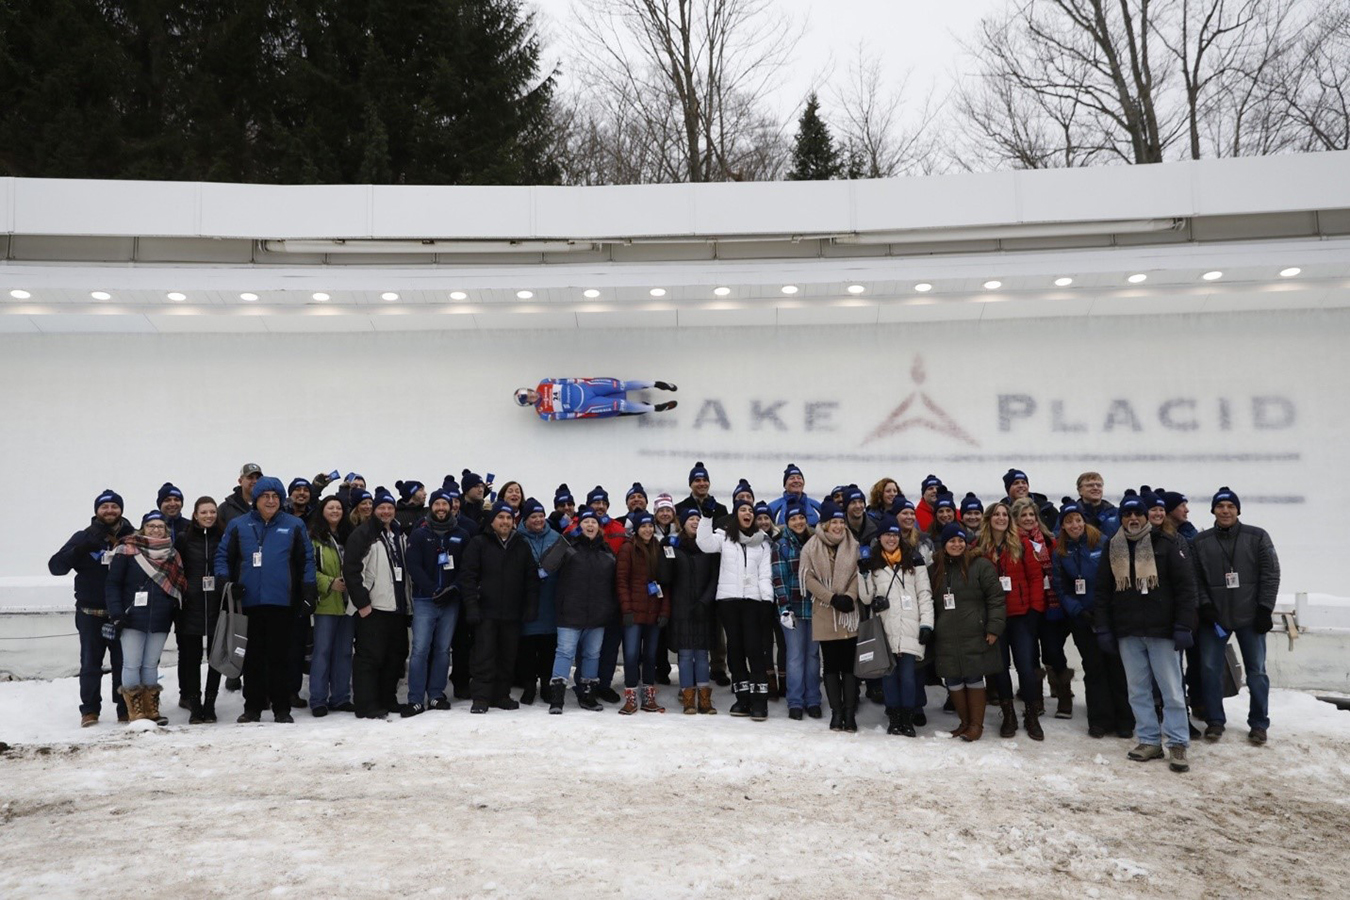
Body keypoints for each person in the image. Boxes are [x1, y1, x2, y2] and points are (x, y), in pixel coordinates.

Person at [1094, 492, 1198, 773]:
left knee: (1172, 691)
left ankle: (1177, 742)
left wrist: (1183, 625)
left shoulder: (1166, 544)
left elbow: (1187, 589)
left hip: (1162, 630)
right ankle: (1149, 739)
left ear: (1145, 516)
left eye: (1137, 514)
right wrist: (1103, 627)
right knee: (1138, 690)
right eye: (1127, 515)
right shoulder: (1113, 548)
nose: (1132, 519)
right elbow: (1102, 591)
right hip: (1128, 630)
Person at [215, 475, 318, 724]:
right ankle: (253, 707)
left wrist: (308, 592)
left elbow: (306, 560)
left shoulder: (294, 525)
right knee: (252, 658)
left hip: (282, 602)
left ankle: (282, 708)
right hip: (247, 603)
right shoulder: (238, 525)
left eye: (275, 497)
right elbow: (222, 557)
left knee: (280, 657)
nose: (270, 501)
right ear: (256, 499)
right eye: (265, 496)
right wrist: (226, 584)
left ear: (281, 500)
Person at [1192, 486, 1281, 746]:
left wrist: (1264, 608)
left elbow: (1271, 573)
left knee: (1257, 672)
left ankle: (1259, 723)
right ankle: (1215, 721)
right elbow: (1195, 579)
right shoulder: (1201, 541)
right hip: (1216, 618)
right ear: (1213, 511)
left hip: (1250, 616)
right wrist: (1205, 606)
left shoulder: (1257, 536)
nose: (1225, 510)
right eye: (1220, 506)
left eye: (1230, 506)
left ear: (1238, 510)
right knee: (1209, 669)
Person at [50, 488, 135, 726]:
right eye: (104, 506)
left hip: (122, 614)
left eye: (114, 506)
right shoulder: (83, 536)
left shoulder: (132, 536)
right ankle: (89, 710)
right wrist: (79, 550)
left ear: (121, 509)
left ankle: (123, 708)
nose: (110, 510)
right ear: (97, 510)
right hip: (90, 614)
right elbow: (55, 567)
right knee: (90, 663)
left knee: (123, 663)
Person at [1052, 497, 1133, 739]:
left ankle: (1124, 720)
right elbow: (1061, 587)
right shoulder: (1061, 552)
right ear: (1063, 526)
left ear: (1083, 521)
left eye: (1077, 519)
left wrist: (1105, 609)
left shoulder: (1104, 542)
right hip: (1082, 620)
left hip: (1108, 616)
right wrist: (1079, 611)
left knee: (1116, 668)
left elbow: (1118, 578)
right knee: (1094, 668)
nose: (1075, 525)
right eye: (1069, 522)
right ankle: (1099, 719)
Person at [696, 497, 774, 720]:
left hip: (753, 602)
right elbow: (704, 543)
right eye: (743, 510)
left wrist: (767, 601)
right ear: (736, 515)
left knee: (754, 649)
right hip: (729, 601)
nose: (747, 513)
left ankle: (760, 700)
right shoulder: (724, 538)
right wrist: (706, 517)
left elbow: (765, 574)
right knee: (735, 650)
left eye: (750, 510)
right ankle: (742, 698)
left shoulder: (762, 542)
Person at [107, 512, 187, 725]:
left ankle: (151, 709)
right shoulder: (127, 550)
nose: (156, 530)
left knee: (151, 665)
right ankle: (135, 711)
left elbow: (178, 585)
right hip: (131, 617)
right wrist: (116, 612)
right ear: (143, 528)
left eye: (160, 526)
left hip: (161, 618)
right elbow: (113, 584)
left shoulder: (172, 554)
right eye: (151, 526)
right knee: (132, 664)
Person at [461, 501, 540, 713]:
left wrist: (530, 606)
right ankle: (481, 697)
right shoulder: (479, 543)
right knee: (484, 656)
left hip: (512, 614)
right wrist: (472, 606)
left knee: (507, 656)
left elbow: (531, 579)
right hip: (485, 612)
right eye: (500, 518)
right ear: (492, 520)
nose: (505, 522)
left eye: (508, 518)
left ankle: (501, 695)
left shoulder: (521, 544)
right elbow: (467, 577)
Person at [976, 500, 1046, 740]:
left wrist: (1035, 609)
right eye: (997, 514)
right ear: (989, 519)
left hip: (1022, 616)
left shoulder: (1022, 544)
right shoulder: (980, 548)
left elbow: (1036, 577)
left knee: (1025, 666)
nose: (1001, 518)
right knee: (1000, 667)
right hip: (995, 618)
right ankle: (1008, 714)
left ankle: (1031, 712)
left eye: (1005, 515)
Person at [860, 514, 934, 737]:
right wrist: (862, 573)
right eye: (886, 535)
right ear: (880, 537)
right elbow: (865, 598)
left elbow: (924, 594)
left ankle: (908, 716)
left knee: (909, 676)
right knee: (890, 676)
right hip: (886, 626)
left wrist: (927, 624)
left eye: (894, 534)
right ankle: (894, 717)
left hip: (911, 626)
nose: (891, 539)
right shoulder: (873, 562)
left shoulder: (914, 559)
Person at [929, 523, 1005, 742]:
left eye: (960, 540)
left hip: (975, 632)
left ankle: (976, 725)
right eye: (952, 541)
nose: (957, 544)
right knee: (952, 678)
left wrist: (993, 627)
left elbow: (996, 598)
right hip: (946, 636)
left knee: (973, 676)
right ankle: (964, 722)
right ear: (944, 544)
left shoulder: (981, 565)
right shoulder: (934, 569)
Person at [404, 487, 472, 715]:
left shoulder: (461, 534)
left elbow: (467, 567)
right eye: (437, 504)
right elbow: (413, 566)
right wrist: (433, 589)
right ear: (431, 507)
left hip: (451, 602)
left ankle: (435, 694)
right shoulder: (420, 533)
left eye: (445, 504)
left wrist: (455, 588)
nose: (441, 508)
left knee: (443, 650)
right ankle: (415, 697)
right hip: (425, 600)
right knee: (421, 649)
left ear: (451, 506)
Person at [342, 488, 410, 719]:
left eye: (390, 508)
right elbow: (351, 569)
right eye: (382, 507)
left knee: (394, 657)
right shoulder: (364, 534)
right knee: (369, 659)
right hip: (372, 607)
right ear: (374, 510)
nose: (386, 511)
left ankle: (387, 699)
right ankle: (366, 704)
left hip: (396, 608)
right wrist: (362, 602)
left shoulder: (399, 535)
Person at [540, 508, 616, 713]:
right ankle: (557, 696)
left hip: (598, 614)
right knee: (564, 653)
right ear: (579, 526)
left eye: (594, 522)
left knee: (592, 655)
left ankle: (587, 693)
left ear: (599, 528)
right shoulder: (569, 547)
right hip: (570, 612)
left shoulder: (607, 552)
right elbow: (547, 564)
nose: (590, 525)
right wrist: (565, 539)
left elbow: (614, 583)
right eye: (586, 522)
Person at [800, 500, 862, 732]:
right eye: (833, 522)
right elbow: (808, 579)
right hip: (825, 612)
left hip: (848, 613)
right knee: (831, 666)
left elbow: (858, 573)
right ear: (824, 524)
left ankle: (850, 712)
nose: (838, 526)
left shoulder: (853, 545)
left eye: (841, 522)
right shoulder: (811, 547)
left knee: (849, 666)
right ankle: (836, 713)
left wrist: (849, 596)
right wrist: (832, 598)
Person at [1014, 496, 1068, 720]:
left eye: (1031, 515)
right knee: (1030, 655)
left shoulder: (1048, 540)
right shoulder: (1013, 542)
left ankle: (1064, 695)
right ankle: (1035, 698)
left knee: (1053, 651)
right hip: (1027, 605)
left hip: (1050, 605)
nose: (1028, 519)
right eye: (1023, 515)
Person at [616, 510, 671, 714]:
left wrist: (665, 610)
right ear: (637, 529)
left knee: (650, 655)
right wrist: (626, 609)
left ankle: (649, 695)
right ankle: (631, 696)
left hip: (654, 611)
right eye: (643, 526)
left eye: (650, 526)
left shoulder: (660, 549)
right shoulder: (628, 549)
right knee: (631, 655)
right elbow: (621, 581)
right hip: (633, 612)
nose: (647, 530)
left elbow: (666, 583)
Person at [174, 497, 224, 724]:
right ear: (195, 514)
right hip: (190, 606)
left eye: (212, 512)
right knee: (191, 659)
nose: (209, 516)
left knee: (215, 658)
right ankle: (195, 705)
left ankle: (210, 705)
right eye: (204, 512)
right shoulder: (184, 539)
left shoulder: (223, 537)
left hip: (216, 605)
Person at [668, 507, 719, 714]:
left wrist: (705, 602)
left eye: (698, 519)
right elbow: (667, 577)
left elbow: (715, 578)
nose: (695, 522)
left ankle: (704, 697)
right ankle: (688, 696)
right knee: (686, 655)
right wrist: (667, 552)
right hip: (681, 609)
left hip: (703, 608)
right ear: (683, 523)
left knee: (702, 654)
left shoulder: (709, 549)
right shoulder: (676, 548)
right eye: (691, 519)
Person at [772, 504, 820, 720]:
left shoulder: (815, 543)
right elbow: (779, 579)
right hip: (793, 608)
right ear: (787, 522)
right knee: (795, 657)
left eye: (801, 518)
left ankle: (813, 699)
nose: (799, 522)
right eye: (794, 519)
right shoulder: (781, 545)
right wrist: (784, 608)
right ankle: (795, 701)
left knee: (812, 655)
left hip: (815, 607)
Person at [309, 495, 355, 716]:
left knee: (344, 652)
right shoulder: (314, 537)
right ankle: (318, 699)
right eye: (330, 507)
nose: (335, 511)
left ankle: (341, 697)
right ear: (323, 511)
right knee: (323, 652)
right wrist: (329, 583)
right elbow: (308, 569)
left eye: (338, 507)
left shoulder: (350, 535)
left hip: (348, 603)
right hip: (325, 602)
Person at [515, 498, 560, 705]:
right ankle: (529, 685)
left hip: (550, 600)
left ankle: (546, 684)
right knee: (527, 647)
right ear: (526, 519)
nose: (539, 520)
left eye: (541, 516)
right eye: (534, 517)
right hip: (526, 600)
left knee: (548, 647)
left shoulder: (556, 538)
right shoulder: (517, 539)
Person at [514, 378, 678, 418]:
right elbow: (566, 416)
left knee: (621, 385)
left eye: (529, 393)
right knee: (619, 404)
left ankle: (656, 383)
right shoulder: (543, 412)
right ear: (529, 403)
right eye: (528, 398)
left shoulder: (544, 383)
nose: (531, 396)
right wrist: (581, 414)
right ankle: (654, 408)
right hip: (587, 404)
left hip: (587, 387)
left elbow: (566, 380)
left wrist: (584, 382)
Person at [1075, 472, 1119, 538]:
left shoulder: (1116, 513)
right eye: (1090, 485)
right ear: (1080, 490)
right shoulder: (1071, 513)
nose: (1095, 488)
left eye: (1099, 485)